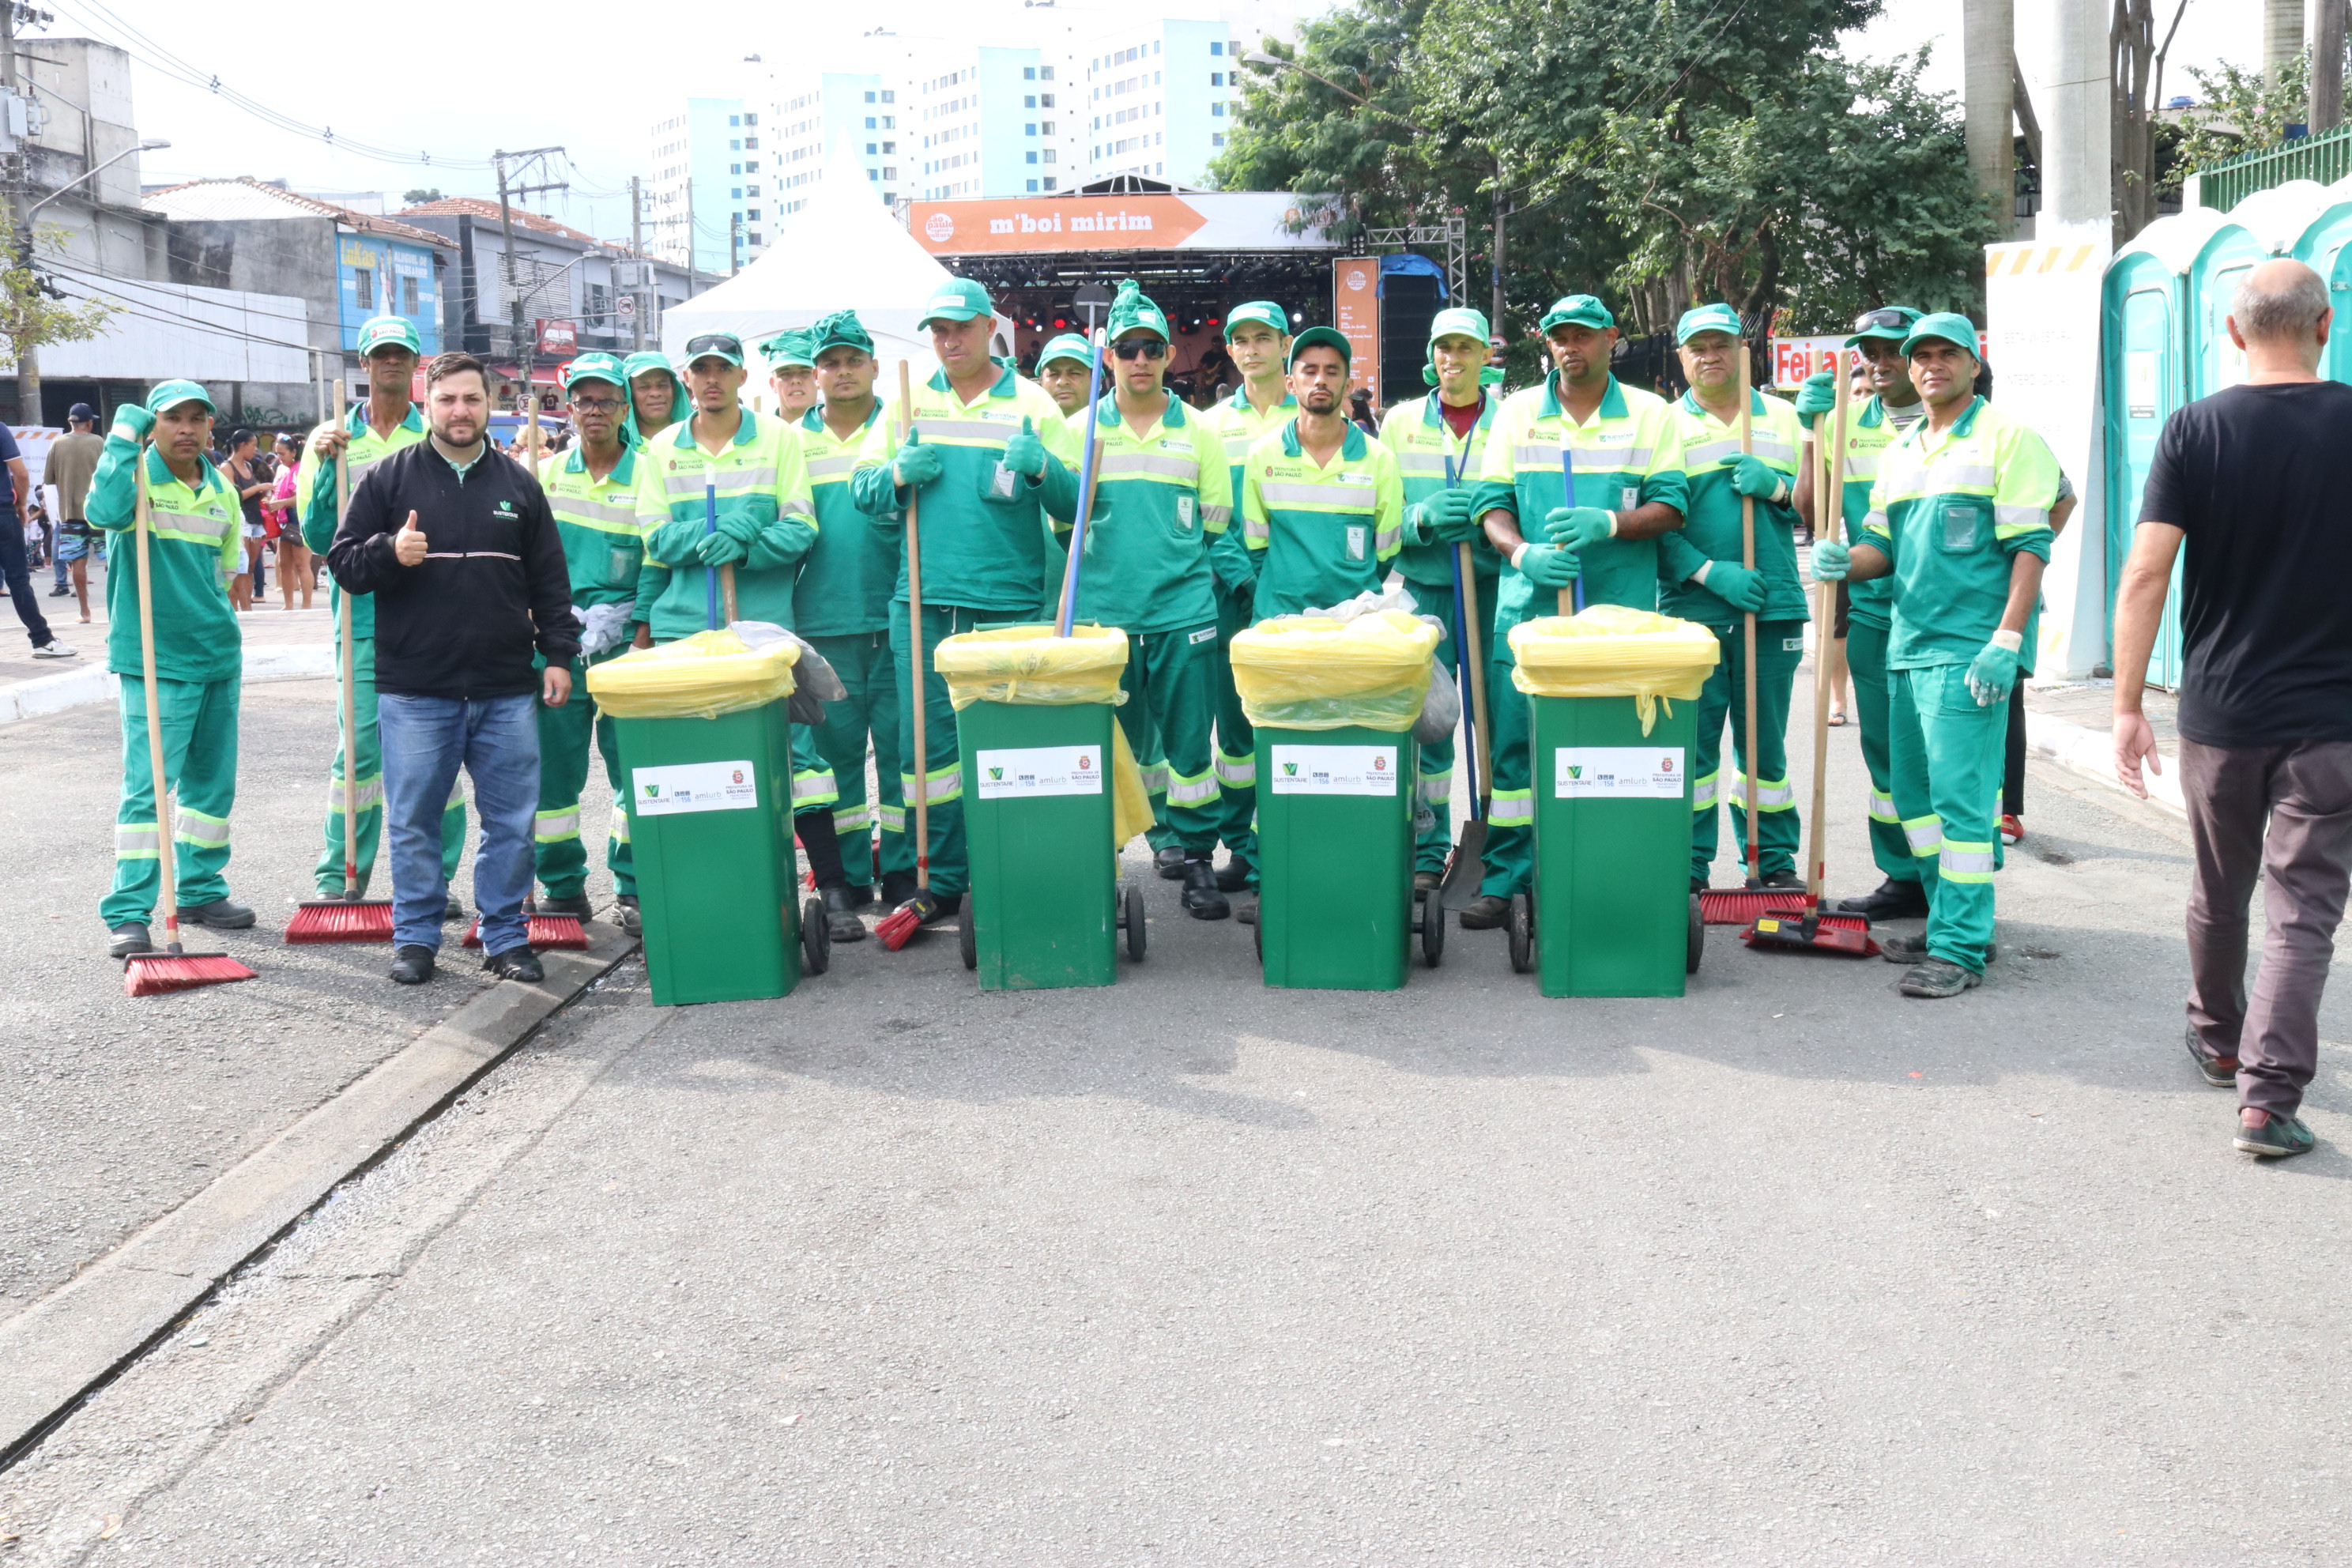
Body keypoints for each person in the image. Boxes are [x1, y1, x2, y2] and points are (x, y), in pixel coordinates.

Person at [2115, 259, 2352, 1159]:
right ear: (2325, 324)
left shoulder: (2194, 429)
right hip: (2334, 718)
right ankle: (2268, 1100)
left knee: (2221, 884)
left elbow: (2144, 572)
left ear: (2232, 332)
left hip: (2221, 711)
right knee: (2304, 910)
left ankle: (2219, 1037)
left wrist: (2129, 705)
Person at [1810, 311, 2060, 1000]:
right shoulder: (1903, 450)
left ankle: (1959, 948)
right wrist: (1841, 563)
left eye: (1946, 354)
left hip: (1968, 652)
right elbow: (1880, 551)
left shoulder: (2009, 438)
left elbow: (2031, 546)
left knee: (1961, 806)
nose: (1930, 366)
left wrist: (2008, 639)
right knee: (1912, 801)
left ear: (1974, 364)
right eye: (1920, 356)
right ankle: (1947, 914)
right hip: (1906, 646)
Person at [327, 352, 580, 986]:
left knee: (511, 823)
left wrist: (556, 655)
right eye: (448, 401)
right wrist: (390, 550)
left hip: (504, 689)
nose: (460, 411)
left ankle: (504, 936)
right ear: (427, 405)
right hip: (416, 690)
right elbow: (344, 564)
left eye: (472, 400)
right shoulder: (387, 479)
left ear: (488, 404)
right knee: (413, 820)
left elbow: (550, 579)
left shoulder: (520, 485)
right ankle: (415, 939)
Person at [850, 278, 1080, 931]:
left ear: (989, 328)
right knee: (927, 753)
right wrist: (895, 475)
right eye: (939, 330)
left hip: (1008, 601)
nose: (949, 340)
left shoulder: (1033, 401)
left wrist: (1042, 471)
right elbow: (861, 491)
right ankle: (943, 880)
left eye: (961, 327)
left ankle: (1012, 864)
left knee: (1008, 743)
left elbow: (1073, 506)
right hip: (921, 601)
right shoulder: (906, 398)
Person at [1464, 293, 1689, 929]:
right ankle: (1506, 879)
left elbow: (1671, 507)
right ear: (1546, 341)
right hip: (1528, 618)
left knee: (1612, 753)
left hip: (1617, 621)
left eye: (1585, 335)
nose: (1572, 346)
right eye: (1560, 335)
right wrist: (1520, 552)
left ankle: (1602, 869)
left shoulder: (1650, 415)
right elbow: (1491, 505)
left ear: (1611, 339)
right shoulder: (1514, 414)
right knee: (1515, 756)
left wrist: (1611, 522)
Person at [630, 331, 849, 907]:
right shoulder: (662, 451)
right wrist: (718, 532)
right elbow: (654, 534)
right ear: (687, 379)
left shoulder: (778, 440)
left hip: (762, 627)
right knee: (697, 760)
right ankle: (709, 887)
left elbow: (802, 527)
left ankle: (832, 886)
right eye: (700, 369)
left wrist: (748, 546)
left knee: (796, 754)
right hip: (684, 629)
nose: (711, 380)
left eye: (722, 369)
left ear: (741, 377)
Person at [1059, 279, 1235, 919]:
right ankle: (1097, 863)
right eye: (1127, 347)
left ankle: (1194, 860)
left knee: (1190, 749)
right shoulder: (1077, 432)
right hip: (1103, 615)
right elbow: (1062, 524)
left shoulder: (1199, 433)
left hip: (1181, 611)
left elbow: (1214, 525)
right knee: (1102, 748)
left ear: (1168, 356)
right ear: (1107, 357)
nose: (1140, 359)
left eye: (1152, 348)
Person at [300, 316, 469, 918]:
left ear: (416, 366)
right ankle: (341, 873)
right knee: (359, 754)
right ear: (364, 365)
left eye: (401, 355)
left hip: (432, 618)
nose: (390, 364)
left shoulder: (441, 434)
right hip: (363, 618)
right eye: (380, 356)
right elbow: (318, 536)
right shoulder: (331, 440)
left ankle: (437, 881)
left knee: (437, 755)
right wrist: (324, 471)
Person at [87, 383, 253, 956]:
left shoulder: (221, 490)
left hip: (216, 656)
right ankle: (130, 912)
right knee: (150, 791)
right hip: (155, 662)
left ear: (210, 428)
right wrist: (121, 436)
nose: (186, 429)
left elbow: (227, 574)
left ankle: (202, 889)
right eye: (171, 419)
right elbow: (99, 512)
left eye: (196, 419)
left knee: (211, 788)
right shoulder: (133, 482)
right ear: (153, 427)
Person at [1655, 303, 1807, 893]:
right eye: (1698, 347)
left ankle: (1771, 861)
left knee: (1764, 752)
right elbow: (1654, 523)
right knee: (1691, 754)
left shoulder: (1786, 420)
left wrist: (1778, 488)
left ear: (1744, 351)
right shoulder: (1662, 426)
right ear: (1682, 357)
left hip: (1772, 606)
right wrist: (1706, 572)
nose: (1710, 356)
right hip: (1692, 611)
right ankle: (1688, 866)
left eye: (1721, 344)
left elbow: (1817, 509)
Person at [1794, 307, 1930, 920]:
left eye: (1892, 349)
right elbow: (1807, 508)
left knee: (1941, 758)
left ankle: (1952, 887)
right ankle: (1902, 875)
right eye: (1869, 352)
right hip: (1875, 612)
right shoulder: (1846, 421)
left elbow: (2056, 502)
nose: (1879, 362)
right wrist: (1809, 432)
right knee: (1885, 754)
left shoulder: (1963, 424)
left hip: (1944, 619)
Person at [793, 311, 911, 933]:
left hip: (894, 616)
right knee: (834, 764)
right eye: (830, 363)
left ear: (872, 365)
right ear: (816, 375)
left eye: (852, 361)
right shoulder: (791, 439)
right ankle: (842, 879)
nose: (842, 372)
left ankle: (899, 871)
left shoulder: (902, 424)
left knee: (898, 756)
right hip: (822, 624)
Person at [1378, 305, 1502, 895]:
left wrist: (1494, 527)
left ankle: (1504, 852)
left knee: (1499, 726)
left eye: (1464, 348)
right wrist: (1421, 518)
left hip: (1493, 589)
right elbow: (1379, 516)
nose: (1451, 359)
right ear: (1431, 357)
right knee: (1428, 725)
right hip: (1425, 591)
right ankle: (1428, 850)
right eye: (1442, 348)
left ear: (1485, 356)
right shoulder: (1399, 423)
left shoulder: (1511, 421)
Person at [530, 352, 646, 935]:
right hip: (557, 645)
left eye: (605, 400)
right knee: (554, 775)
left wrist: (640, 622)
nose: (593, 410)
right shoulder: (545, 475)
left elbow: (661, 561)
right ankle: (561, 887)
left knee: (635, 769)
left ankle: (634, 884)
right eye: (584, 400)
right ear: (569, 408)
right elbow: (525, 561)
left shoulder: (649, 475)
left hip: (628, 646)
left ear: (624, 408)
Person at [1197, 300, 1299, 893]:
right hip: (1230, 595)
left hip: (1291, 592)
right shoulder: (1209, 425)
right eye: (1243, 340)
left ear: (1284, 344)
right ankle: (1241, 844)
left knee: (1289, 722)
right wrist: (1240, 574)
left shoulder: (1312, 415)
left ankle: (1288, 832)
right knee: (1235, 733)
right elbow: (1211, 519)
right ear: (1231, 350)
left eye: (1265, 337)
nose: (1254, 348)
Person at [0, 396, 70, 659]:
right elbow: (21, 473)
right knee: (18, 581)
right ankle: (42, 640)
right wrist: (20, 506)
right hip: (3, 514)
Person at [45, 404, 103, 622]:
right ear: (89, 423)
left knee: (78, 562)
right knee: (114, 559)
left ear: (70, 422)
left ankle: (85, 612)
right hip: (98, 511)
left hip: (70, 512)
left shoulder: (57, 443)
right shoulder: (99, 442)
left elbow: (48, 478)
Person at [222, 429, 271, 611]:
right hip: (241, 521)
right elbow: (233, 495)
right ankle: (236, 607)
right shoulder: (227, 467)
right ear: (242, 445)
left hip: (255, 519)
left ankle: (246, 605)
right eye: (253, 445)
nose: (256, 450)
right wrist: (260, 487)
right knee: (239, 568)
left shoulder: (249, 466)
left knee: (250, 567)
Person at [266, 433, 313, 609]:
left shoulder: (302, 469)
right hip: (283, 520)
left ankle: (307, 604)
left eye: (282, 454)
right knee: (284, 563)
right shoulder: (282, 470)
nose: (279, 458)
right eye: (277, 454)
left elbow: (303, 497)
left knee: (302, 564)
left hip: (298, 518)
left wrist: (282, 503)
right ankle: (288, 604)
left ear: (293, 452)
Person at [622, 350, 687, 447]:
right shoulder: (618, 445)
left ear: (674, 390)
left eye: (662, 385)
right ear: (629, 394)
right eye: (644, 387)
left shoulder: (700, 437)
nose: (655, 393)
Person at [762, 329, 820, 422]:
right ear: (773, 384)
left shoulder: (841, 431)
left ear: (817, 377)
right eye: (785, 374)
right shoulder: (761, 434)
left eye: (804, 372)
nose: (795, 380)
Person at [1035, 333, 1095, 416]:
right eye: (1053, 374)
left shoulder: (1116, 427)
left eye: (1075, 373)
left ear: (1097, 381)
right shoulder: (1026, 424)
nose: (1062, 381)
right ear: (1041, 382)